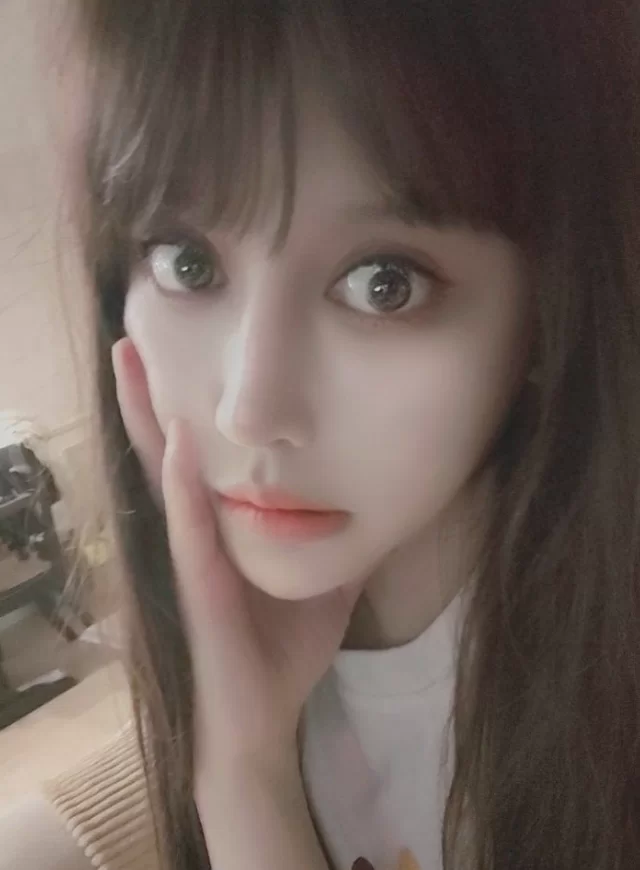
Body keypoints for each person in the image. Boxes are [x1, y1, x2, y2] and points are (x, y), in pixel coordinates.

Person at [2, 1, 640, 868]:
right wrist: (239, 765)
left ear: (551, 311)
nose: (249, 410)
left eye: (384, 284)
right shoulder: (228, 648)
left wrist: (240, 780)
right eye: (188, 262)